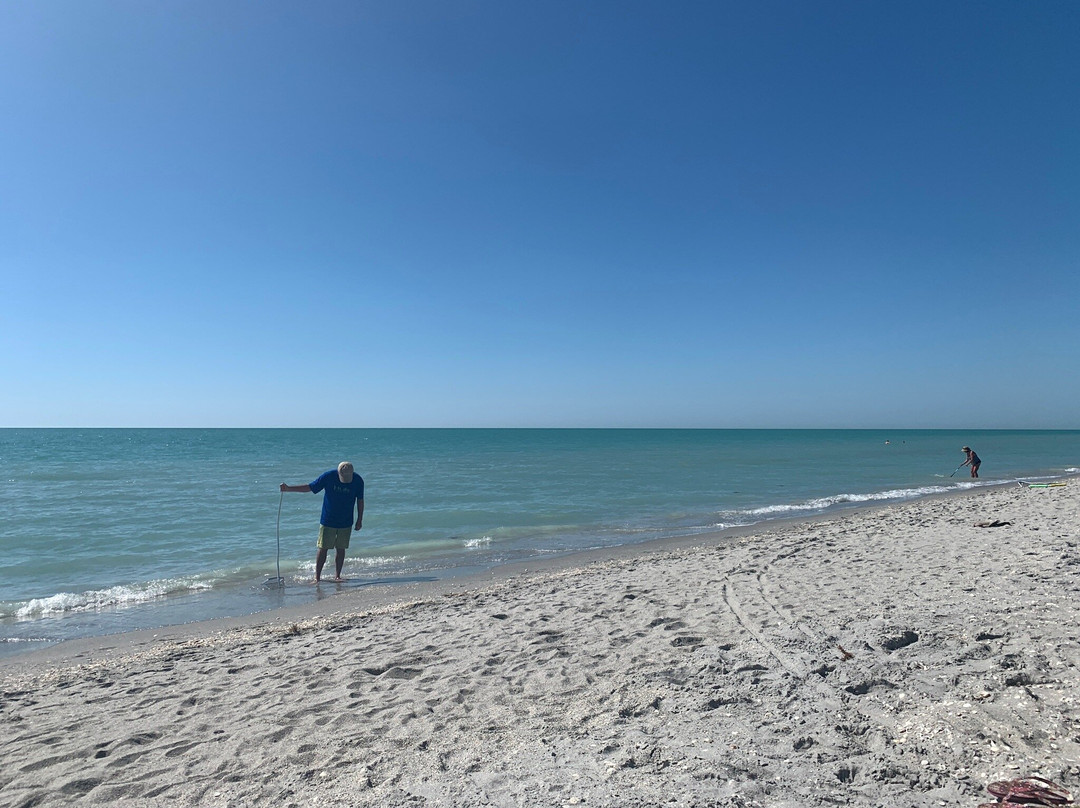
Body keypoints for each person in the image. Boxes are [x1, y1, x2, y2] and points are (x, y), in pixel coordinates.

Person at [280, 461, 364, 582]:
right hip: (328, 520)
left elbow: (360, 500)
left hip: (346, 521)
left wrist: (359, 519)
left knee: (341, 549)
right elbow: (310, 487)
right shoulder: (328, 476)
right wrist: (288, 489)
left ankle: (337, 576)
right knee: (323, 548)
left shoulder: (358, 480)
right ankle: (317, 577)